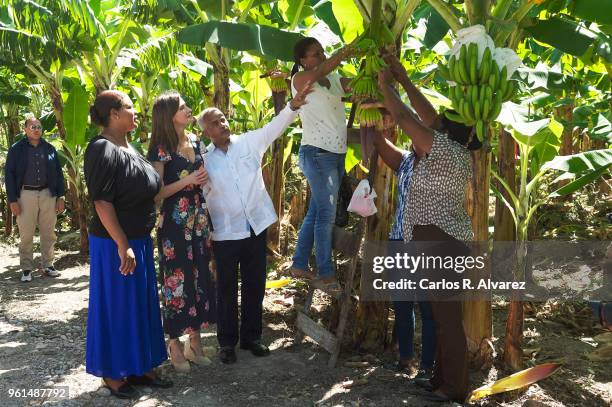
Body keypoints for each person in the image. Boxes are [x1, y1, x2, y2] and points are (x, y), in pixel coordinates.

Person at [378, 53, 481, 403]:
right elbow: (425, 116)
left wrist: (384, 86)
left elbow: (407, 117)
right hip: (434, 238)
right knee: (439, 315)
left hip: (442, 240)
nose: (436, 121)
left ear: (451, 130)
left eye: (442, 121)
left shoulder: (447, 151)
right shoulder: (449, 147)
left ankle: (455, 387)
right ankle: (441, 379)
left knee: (447, 318)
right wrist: (403, 79)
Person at [196, 82, 312, 364]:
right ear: (206, 132)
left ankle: (251, 338)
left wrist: (293, 105)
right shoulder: (203, 160)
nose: (222, 124)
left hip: (254, 228)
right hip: (224, 233)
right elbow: (198, 195)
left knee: (254, 285)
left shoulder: (249, 142)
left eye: (223, 118)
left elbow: (275, 126)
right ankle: (227, 344)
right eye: (215, 123)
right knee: (225, 289)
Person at [84, 90, 171, 399]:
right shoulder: (102, 149)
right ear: (113, 114)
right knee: (117, 307)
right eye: (130, 107)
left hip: (138, 240)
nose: (136, 112)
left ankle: (140, 366)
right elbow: (102, 201)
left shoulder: (128, 146)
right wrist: (122, 244)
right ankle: (112, 372)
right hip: (114, 242)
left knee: (140, 306)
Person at [147, 91, 216, 372]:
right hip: (174, 223)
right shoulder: (160, 148)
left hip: (199, 220)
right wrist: (188, 180)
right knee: (176, 281)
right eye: (182, 107)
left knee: (200, 278)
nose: (189, 110)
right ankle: (174, 343)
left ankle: (195, 342)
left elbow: (202, 183)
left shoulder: (197, 141)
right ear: (168, 114)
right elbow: (157, 192)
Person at [289, 37, 358, 290]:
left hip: (335, 154)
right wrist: (346, 50)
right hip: (317, 154)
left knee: (317, 212)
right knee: (325, 215)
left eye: (321, 52)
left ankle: (299, 263)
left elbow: (357, 87)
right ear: (302, 61)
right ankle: (326, 273)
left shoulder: (335, 79)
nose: (320, 56)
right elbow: (321, 71)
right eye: (314, 53)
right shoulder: (299, 80)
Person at [5, 116, 65, 282]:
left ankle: (48, 265)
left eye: (38, 126)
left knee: (48, 232)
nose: (36, 129)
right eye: (32, 127)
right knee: (26, 234)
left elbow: (59, 174)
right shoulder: (16, 149)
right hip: (25, 195)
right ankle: (26, 268)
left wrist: (61, 196)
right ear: (25, 129)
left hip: (47, 194)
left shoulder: (50, 149)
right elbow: (9, 175)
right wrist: (12, 200)